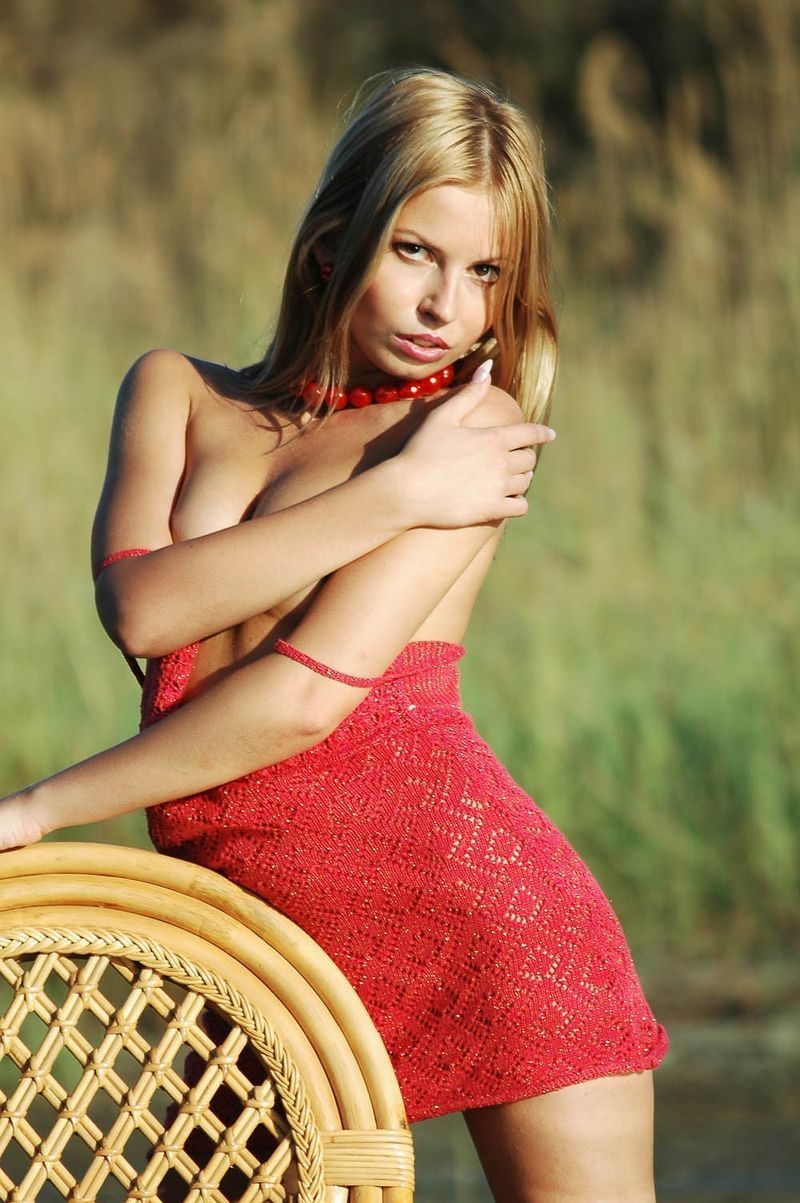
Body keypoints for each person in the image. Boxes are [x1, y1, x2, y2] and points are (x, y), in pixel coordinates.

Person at [0, 68, 667, 1202]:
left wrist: (45, 806)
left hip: (483, 910)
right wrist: (395, 499)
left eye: (483, 274)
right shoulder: (179, 393)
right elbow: (147, 608)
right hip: (254, 932)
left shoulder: (472, 429)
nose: (443, 306)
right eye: (414, 252)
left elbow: (307, 697)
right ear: (329, 245)